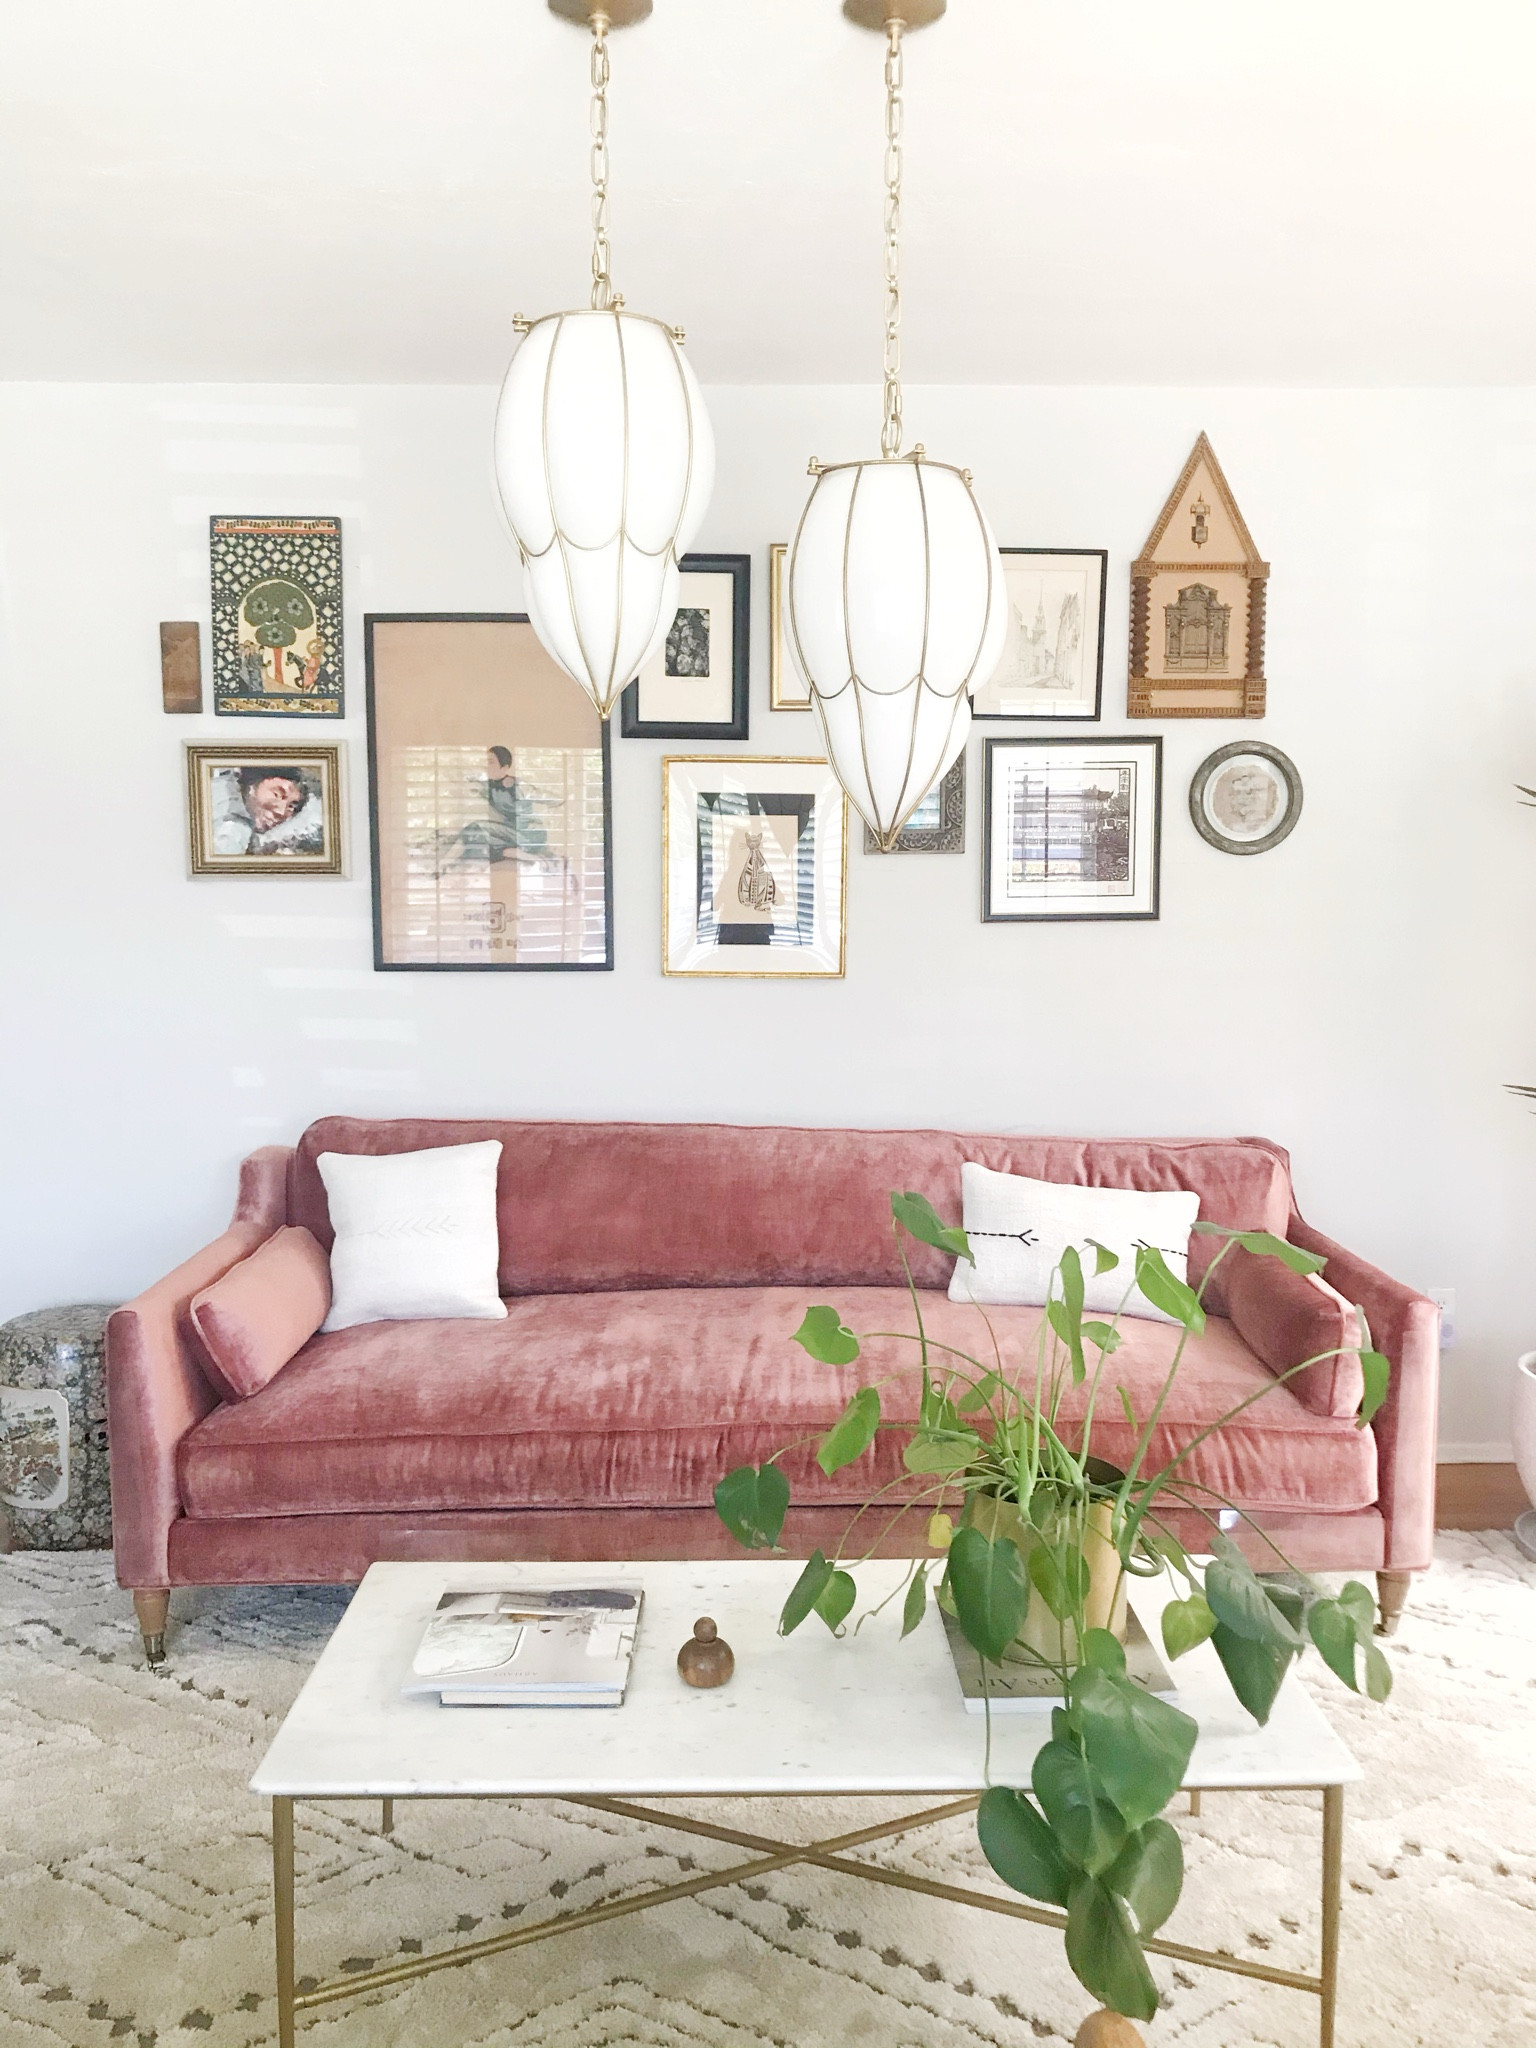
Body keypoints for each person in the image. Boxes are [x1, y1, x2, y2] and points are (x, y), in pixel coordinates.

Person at [211, 766, 310, 856]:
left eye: (291, 806)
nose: (281, 812)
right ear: (253, 782)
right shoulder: (233, 827)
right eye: (277, 794)